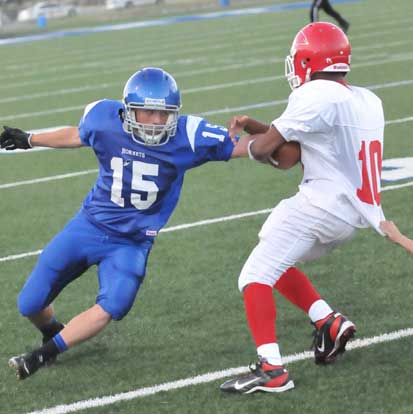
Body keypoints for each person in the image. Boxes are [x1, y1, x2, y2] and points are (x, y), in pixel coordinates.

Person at [1, 67, 251, 381]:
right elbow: (77, 135)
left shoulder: (188, 135)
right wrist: (29, 138)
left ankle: (47, 352)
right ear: (129, 110)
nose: (159, 121)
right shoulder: (104, 117)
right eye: (149, 112)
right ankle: (52, 331)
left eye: (165, 113)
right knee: (29, 302)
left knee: (114, 304)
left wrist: (283, 140)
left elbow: (248, 147)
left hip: (131, 242)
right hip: (89, 225)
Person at [220, 22, 386, 394]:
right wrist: (259, 126)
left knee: (254, 276)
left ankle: (272, 370)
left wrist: (230, 145)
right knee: (272, 250)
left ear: (309, 59)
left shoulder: (315, 95)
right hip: (350, 214)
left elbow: (271, 151)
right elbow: (300, 147)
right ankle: (327, 320)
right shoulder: (364, 98)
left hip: (320, 207)